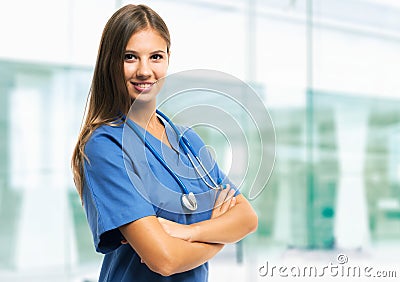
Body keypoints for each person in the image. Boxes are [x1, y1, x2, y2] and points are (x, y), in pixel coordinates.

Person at [71, 4, 258, 282]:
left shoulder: (187, 141)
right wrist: (219, 235)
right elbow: (165, 260)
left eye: (156, 56)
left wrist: (188, 233)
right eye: (130, 57)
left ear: (168, 59)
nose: (145, 70)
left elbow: (247, 218)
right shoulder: (105, 147)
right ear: (110, 62)